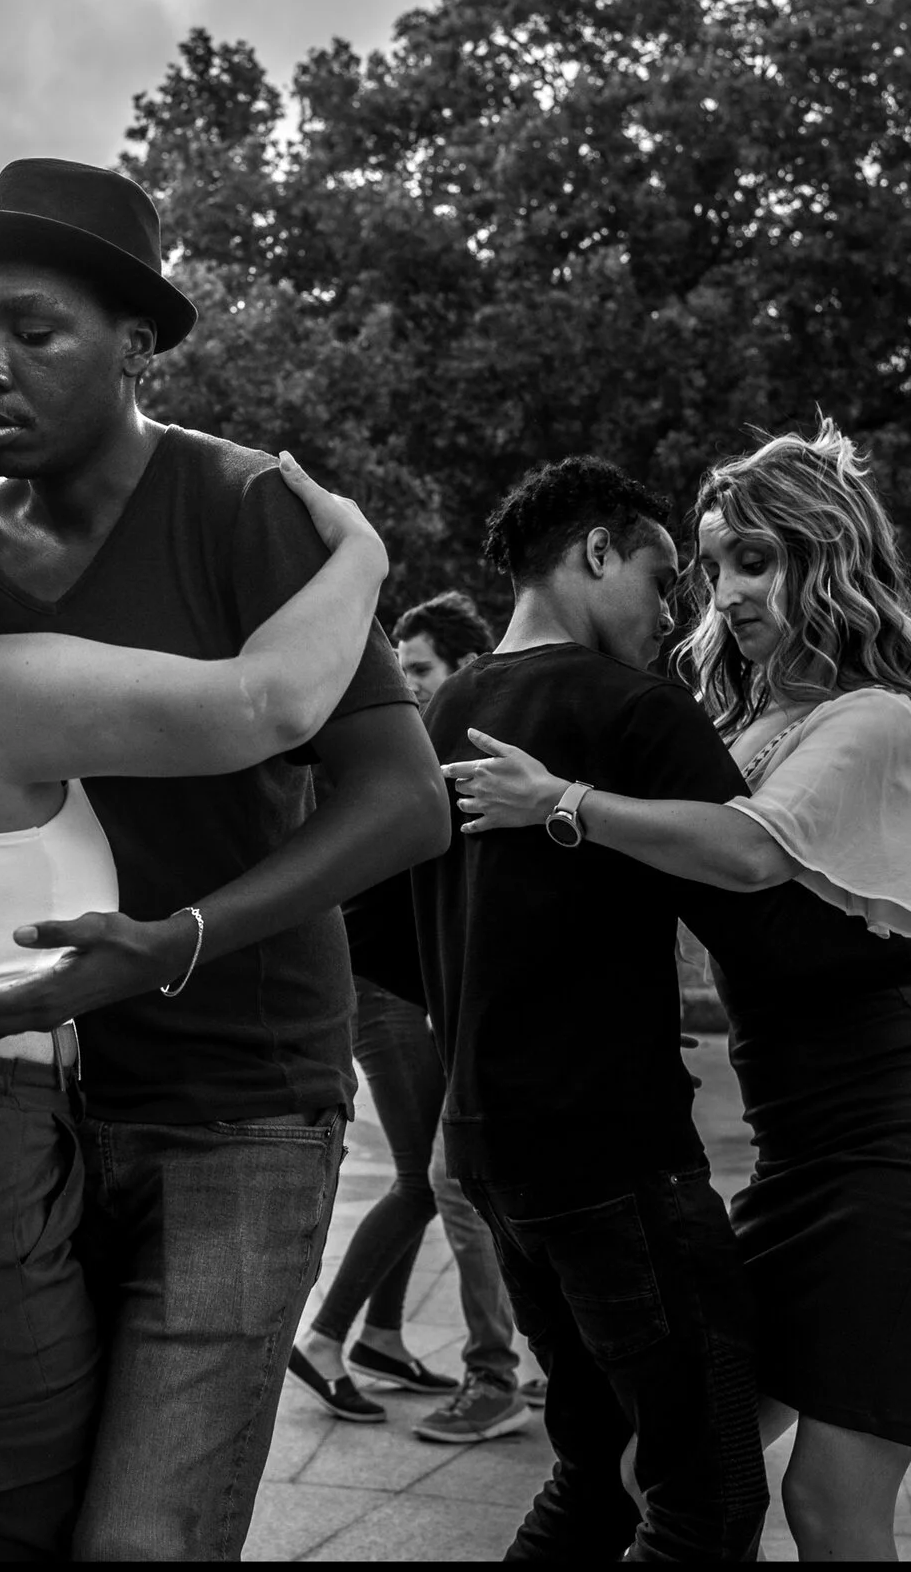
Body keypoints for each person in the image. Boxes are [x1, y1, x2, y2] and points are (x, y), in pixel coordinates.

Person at [0, 159, 451, 1561]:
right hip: (7, 1122)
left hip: (227, 1107)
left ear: (136, 344)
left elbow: (406, 801)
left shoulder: (243, 505)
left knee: (139, 1537)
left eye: (33, 329)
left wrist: (176, 942)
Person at [448, 431, 911, 1562]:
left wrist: (561, 801)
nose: (725, 592)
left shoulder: (878, 718)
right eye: (717, 563)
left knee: (825, 1499)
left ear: (827, 559)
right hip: (801, 1150)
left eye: (757, 560)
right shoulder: (740, 722)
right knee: (653, 1465)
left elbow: (749, 858)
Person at [294, 590, 540, 1446]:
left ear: (469, 668)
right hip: (384, 991)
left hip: (401, 991)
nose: (408, 685)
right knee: (424, 1179)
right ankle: (325, 1340)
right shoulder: (421, 757)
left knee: (428, 1180)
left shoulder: (452, 753)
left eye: (422, 670)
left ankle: (384, 1338)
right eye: (403, 671)